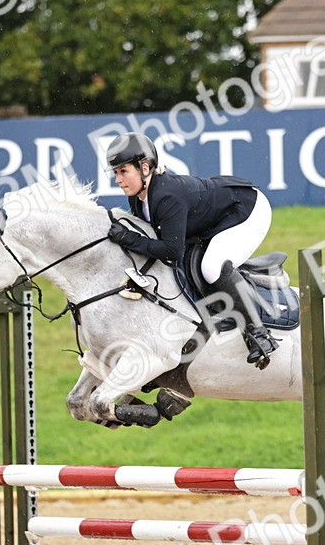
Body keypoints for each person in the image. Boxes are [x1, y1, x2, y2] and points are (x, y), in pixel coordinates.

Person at [104, 132, 279, 368]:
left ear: (144, 168)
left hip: (247, 211)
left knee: (211, 266)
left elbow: (170, 250)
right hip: (217, 216)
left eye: (123, 171)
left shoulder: (166, 197)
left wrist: (127, 238)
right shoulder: (139, 197)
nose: (118, 179)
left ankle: (259, 334)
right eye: (116, 172)